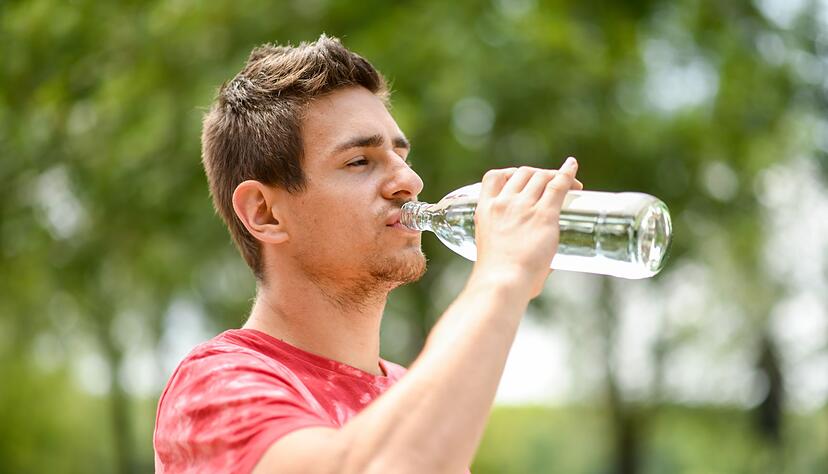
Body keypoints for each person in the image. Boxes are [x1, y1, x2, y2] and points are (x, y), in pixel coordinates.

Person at [153, 34, 583, 474]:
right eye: (360, 161)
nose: (409, 181)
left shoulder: (406, 394)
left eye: (401, 155)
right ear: (265, 213)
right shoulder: (216, 388)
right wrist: (502, 277)